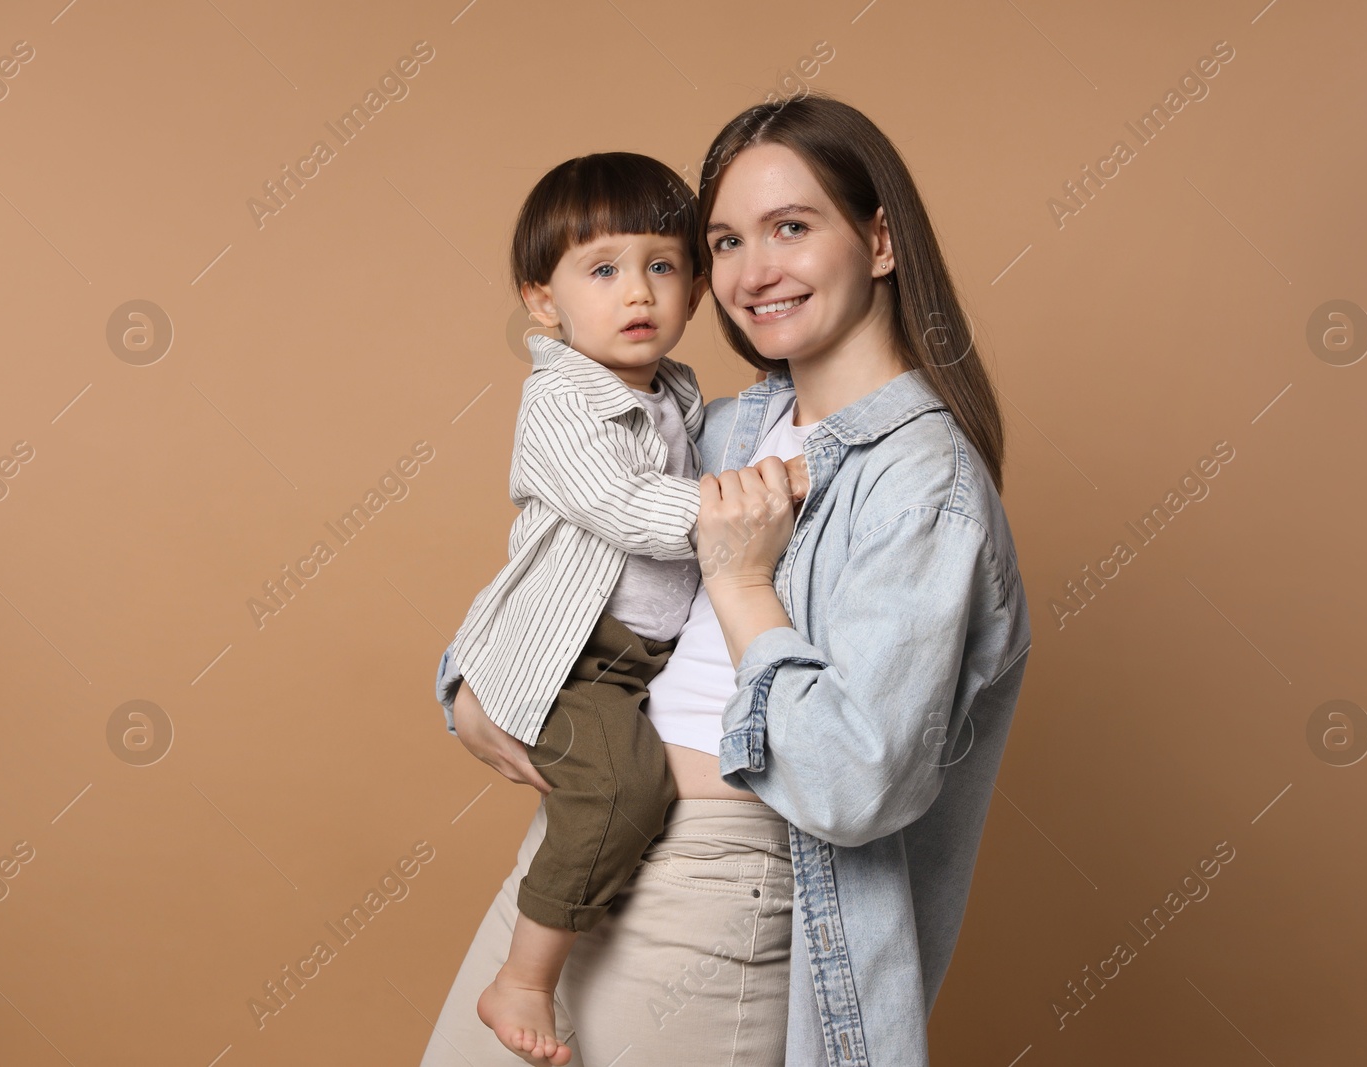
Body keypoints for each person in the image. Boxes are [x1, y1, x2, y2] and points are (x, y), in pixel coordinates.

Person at [423, 93, 1031, 1066]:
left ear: (878, 240)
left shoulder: (919, 483)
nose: (755, 271)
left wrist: (746, 588)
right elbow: (578, 551)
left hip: (718, 880)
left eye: (791, 227)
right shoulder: (728, 426)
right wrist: (465, 680)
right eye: (727, 240)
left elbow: (854, 780)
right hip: (582, 854)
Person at [436, 150, 807, 1065]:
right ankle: (522, 978)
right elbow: (624, 505)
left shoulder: (682, 395)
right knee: (620, 790)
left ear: (692, 291)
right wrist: (749, 504)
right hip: (570, 657)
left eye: (662, 266)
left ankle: (549, 953)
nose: (636, 292)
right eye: (602, 270)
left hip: (633, 658)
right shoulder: (561, 397)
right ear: (543, 301)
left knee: (619, 788)